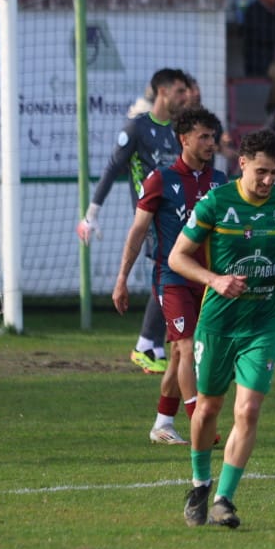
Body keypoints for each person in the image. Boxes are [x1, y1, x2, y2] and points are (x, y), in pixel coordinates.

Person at [169, 129, 275, 529]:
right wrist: (214, 280)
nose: (268, 181)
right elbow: (178, 257)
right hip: (218, 323)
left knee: (248, 409)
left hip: (264, 320)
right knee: (208, 408)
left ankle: (225, 499)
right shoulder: (215, 203)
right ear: (241, 163)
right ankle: (199, 484)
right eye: (261, 171)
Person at [110, 107, 226, 445]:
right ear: (184, 139)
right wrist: (122, 279)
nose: (210, 143)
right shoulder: (160, 179)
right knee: (188, 347)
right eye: (203, 136)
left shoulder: (219, 181)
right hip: (171, 278)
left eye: (213, 136)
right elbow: (137, 231)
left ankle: (162, 423)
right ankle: (199, 424)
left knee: (177, 355)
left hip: (206, 281)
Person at [80, 67, 191, 374]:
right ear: (163, 91)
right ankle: (146, 343)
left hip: (177, 215)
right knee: (170, 270)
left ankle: (154, 347)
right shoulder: (137, 127)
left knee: (173, 271)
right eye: (181, 90)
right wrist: (91, 214)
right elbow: (113, 168)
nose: (186, 96)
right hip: (150, 213)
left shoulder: (177, 130)